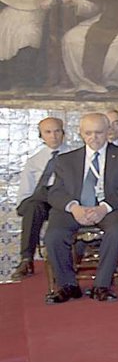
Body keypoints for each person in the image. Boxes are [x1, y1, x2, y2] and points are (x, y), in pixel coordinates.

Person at [43, 112, 118, 303]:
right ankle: (68, 285)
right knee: (53, 235)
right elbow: (55, 193)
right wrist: (74, 207)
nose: (93, 137)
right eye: (88, 133)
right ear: (80, 133)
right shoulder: (66, 160)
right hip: (75, 208)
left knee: (117, 232)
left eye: (98, 132)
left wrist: (103, 208)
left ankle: (101, 286)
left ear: (108, 131)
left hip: (109, 207)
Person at [10, 116, 65, 280]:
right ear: (41, 136)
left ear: (63, 133)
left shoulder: (75, 156)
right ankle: (26, 259)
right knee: (34, 205)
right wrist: (26, 203)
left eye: (57, 131)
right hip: (41, 202)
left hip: (64, 200)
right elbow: (26, 193)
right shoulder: (34, 161)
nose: (53, 136)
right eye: (48, 132)